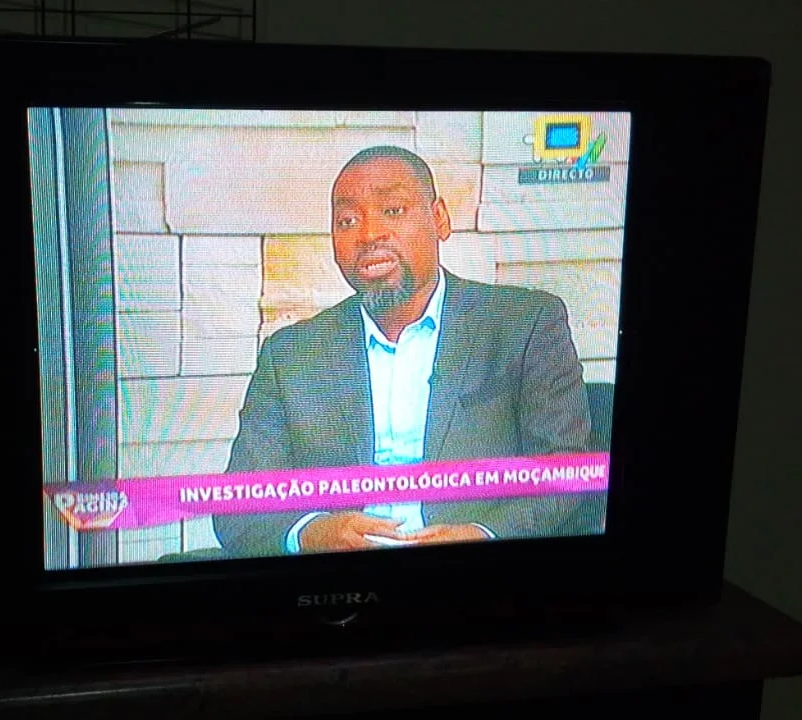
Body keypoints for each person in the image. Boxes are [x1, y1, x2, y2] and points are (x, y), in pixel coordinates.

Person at [212, 146, 603, 557]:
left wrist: (483, 534)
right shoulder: (291, 355)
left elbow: (565, 470)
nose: (369, 234)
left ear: (439, 219)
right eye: (347, 221)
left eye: (392, 211)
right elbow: (238, 505)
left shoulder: (524, 324)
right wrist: (312, 533)